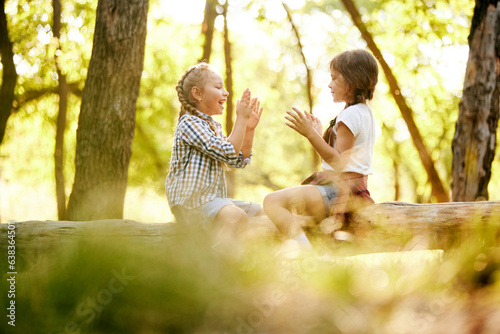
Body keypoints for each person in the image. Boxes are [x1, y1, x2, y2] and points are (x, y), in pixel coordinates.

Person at [263, 49, 379, 251]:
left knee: (271, 202)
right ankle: (310, 249)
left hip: (337, 192)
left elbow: (338, 162)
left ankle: (304, 254)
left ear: (352, 80)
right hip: (355, 190)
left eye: (335, 78)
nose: (329, 84)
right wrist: (317, 133)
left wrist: (310, 134)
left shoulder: (350, 115)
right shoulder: (364, 112)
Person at [166, 62, 264, 253]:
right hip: (192, 202)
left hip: (211, 200)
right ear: (198, 94)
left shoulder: (212, 126)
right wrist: (241, 119)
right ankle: (213, 263)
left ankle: (248, 258)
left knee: (263, 213)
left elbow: (236, 160)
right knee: (236, 216)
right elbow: (228, 151)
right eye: (218, 87)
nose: (225, 92)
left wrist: (249, 129)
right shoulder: (189, 123)